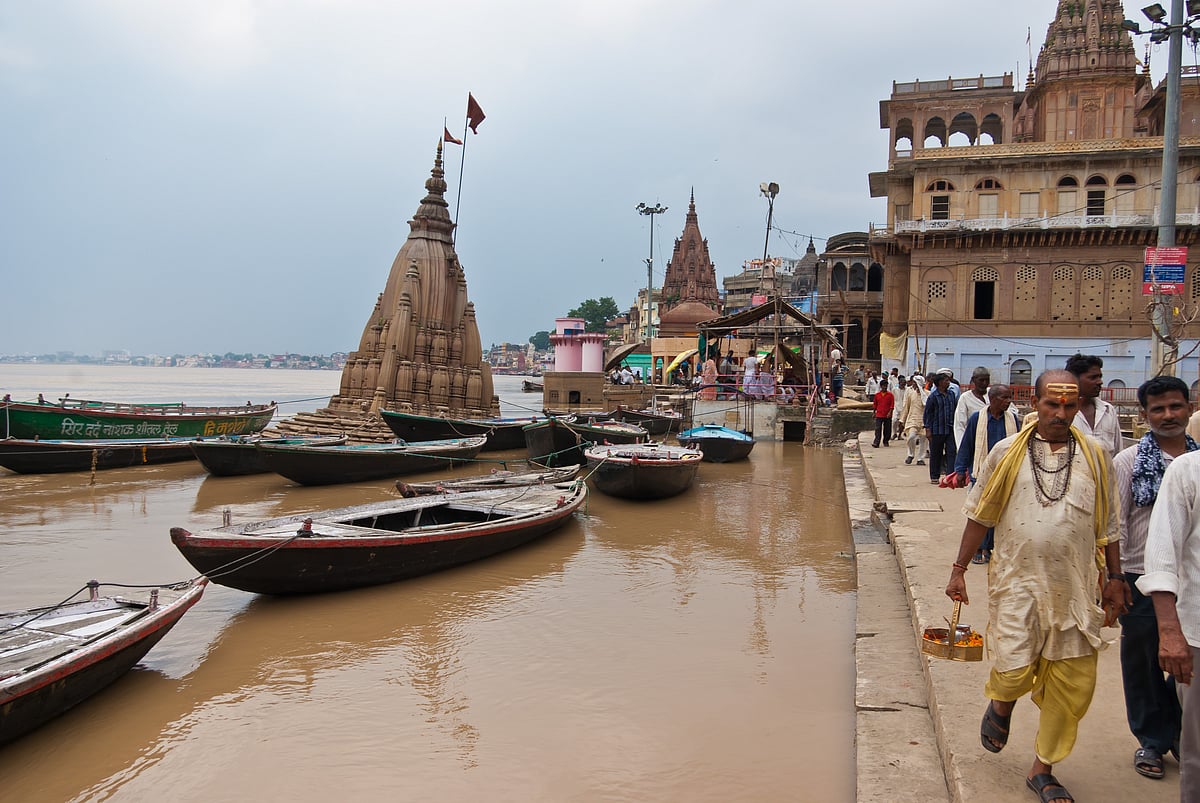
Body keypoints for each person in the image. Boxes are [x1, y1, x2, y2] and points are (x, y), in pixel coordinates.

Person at [945, 369, 1127, 803]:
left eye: (1069, 405)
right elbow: (979, 514)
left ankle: (1043, 768)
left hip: (1077, 590)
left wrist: (1116, 578)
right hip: (1016, 584)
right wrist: (958, 569)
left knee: (1071, 685)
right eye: (1052, 404)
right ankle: (1003, 703)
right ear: (1036, 403)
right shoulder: (1006, 452)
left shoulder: (1097, 456)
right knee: (1011, 668)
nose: (1061, 413)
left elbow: (1110, 525)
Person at [1115, 376, 1195, 780]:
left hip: (1190, 582)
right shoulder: (1129, 463)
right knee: (1143, 661)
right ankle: (1150, 738)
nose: (1168, 416)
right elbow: (1117, 524)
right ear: (1144, 415)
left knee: (1186, 663)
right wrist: (1114, 579)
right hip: (1139, 576)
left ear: (1189, 407)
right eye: (1159, 409)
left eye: (1175, 407)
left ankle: (1181, 734)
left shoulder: (1197, 463)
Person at [952, 383, 1020, 564]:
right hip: (981, 473)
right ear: (993, 399)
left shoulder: (1013, 419)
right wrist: (960, 470)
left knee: (999, 513)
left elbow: (1020, 446)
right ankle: (978, 548)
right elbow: (967, 445)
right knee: (980, 512)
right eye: (1004, 397)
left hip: (1006, 472)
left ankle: (990, 548)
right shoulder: (977, 419)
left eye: (1009, 397)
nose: (1008, 401)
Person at [1066, 353, 1124, 455]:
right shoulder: (1062, 413)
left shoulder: (1108, 410)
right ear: (1074, 379)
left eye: (1100, 377)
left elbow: (1118, 451)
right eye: (1093, 377)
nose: (1100, 382)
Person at [924, 368, 959, 485]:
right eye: (945, 381)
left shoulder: (951, 395)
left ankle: (950, 475)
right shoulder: (933, 397)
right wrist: (928, 429)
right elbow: (928, 413)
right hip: (937, 429)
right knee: (936, 453)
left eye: (948, 380)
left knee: (951, 452)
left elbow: (955, 410)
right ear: (939, 383)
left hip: (949, 428)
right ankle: (934, 475)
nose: (948, 383)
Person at [953, 368, 991, 447]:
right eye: (981, 380)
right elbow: (960, 424)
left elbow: (1012, 411)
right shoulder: (965, 398)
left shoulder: (993, 393)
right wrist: (962, 447)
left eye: (987, 380)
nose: (984, 383)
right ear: (974, 380)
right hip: (974, 440)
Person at [898, 374, 928, 466]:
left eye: (915, 383)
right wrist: (902, 420)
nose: (913, 385)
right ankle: (910, 454)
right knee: (911, 437)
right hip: (912, 419)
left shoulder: (928, 394)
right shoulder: (911, 394)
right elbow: (906, 408)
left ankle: (920, 458)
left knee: (923, 440)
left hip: (924, 420)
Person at [871, 378, 895, 448]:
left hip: (887, 414)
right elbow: (875, 404)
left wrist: (890, 412)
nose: (885, 387)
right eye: (884, 386)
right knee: (878, 428)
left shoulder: (890, 395)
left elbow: (892, 405)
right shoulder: (877, 395)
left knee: (887, 429)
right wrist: (874, 412)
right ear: (881, 386)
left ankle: (886, 441)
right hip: (879, 414)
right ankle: (876, 442)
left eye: (886, 386)